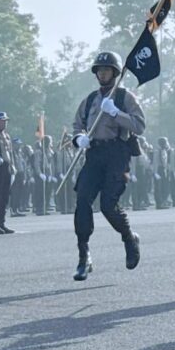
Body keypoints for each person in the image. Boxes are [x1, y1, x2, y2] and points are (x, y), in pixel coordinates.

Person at [70, 51, 144, 281]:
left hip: (117, 153)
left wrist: (116, 112)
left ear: (115, 72)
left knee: (108, 205)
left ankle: (129, 237)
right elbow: (77, 125)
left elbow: (139, 125)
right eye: (99, 70)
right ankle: (84, 256)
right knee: (82, 200)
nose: (102, 74)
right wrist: (78, 138)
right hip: (94, 154)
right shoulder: (90, 100)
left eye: (107, 70)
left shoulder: (124, 97)